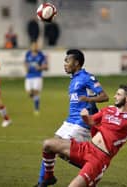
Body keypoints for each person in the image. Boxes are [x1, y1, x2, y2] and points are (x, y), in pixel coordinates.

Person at [39, 84, 127, 187]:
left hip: (99, 159)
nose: (115, 96)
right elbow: (91, 121)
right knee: (48, 144)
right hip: (87, 148)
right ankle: (49, 177)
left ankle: (95, 174)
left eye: (119, 95)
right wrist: (85, 116)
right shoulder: (108, 110)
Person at [35, 49, 109, 186]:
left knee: (59, 149)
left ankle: (93, 169)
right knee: (49, 147)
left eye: (67, 61)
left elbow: (104, 96)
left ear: (76, 63)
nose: (65, 64)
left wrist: (88, 99)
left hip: (81, 124)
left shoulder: (87, 77)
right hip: (70, 121)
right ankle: (44, 180)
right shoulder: (74, 79)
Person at [24, 41, 48, 114]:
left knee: (36, 92)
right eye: (33, 46)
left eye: (36, 46)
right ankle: (34, 97)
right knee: (29, 92)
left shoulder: (41, 55)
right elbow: (25, 63)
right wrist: (26, 67)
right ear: (31, 47)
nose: (35, 47)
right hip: (29, 76)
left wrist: (40, 67)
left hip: (37, 76)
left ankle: (36, 109)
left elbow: (46, 67)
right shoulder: (28, 54)